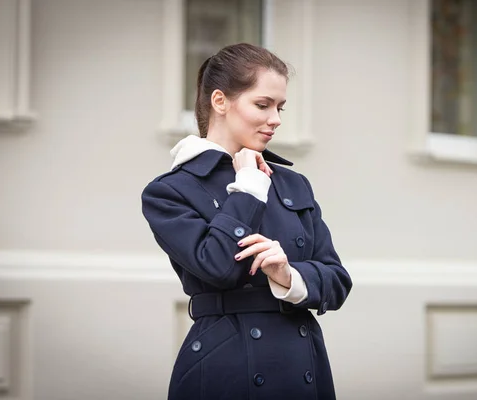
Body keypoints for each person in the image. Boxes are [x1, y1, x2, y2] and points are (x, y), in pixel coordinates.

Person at [141, 43, 352, 400]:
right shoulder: (170, 191)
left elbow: (336, 281)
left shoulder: (292, 183)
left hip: (303, 362)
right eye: (263, 104)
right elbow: (219, 267)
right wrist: (249, 187)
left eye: (280, 107)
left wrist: (289, 277)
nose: (276, 120)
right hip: (228, 364)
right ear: (220, 101)